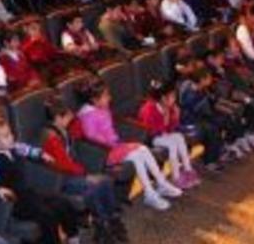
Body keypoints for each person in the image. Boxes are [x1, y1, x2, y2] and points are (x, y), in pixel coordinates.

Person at [76, 80, 182, 210]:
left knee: (142, 150)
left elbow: (110, 129)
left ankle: (159, 186)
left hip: (115, 147)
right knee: (138, 153)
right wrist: (114, 145)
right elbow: (92, 138)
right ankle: (152, 192)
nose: (110, 98)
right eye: (106, 96)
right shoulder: (88, 116)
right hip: (104, 153)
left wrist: (119, 144)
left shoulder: (102, 108)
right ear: (94, 100)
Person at [0, 114, 81, 244]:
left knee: (62, 203)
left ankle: (73, 238)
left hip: (28, 194)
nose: (11, 137)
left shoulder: (13, 147)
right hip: (14, 203)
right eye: (6, 136)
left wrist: (43, 154)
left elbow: (29, 150)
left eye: (11, 133)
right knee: (48, 216)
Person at [42, 99, 127, 243]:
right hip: (61, 178)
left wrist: (75, 122)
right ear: (57, 118)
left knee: (105, 181)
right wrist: (87, 175)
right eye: (67, 116)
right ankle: (103, 226)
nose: (71, 118)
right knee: (94, 188)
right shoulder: (51, 138)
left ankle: (112, 221)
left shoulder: (62, 129)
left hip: (73, 173)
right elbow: (65, 165)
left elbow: (78, 136)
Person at [137, 81, 201, 190]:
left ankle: (188, 170)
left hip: (163, 135)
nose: (175, 99)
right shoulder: (149, 109)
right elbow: (152, 131)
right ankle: (176, 177)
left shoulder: (169, 107)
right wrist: (166, 118)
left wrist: (176, 116)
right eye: (172, 96)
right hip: (151, 137)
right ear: (163, 98)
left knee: (179, 137)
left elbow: (171, 129)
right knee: (172, 143)